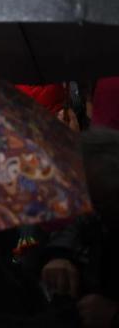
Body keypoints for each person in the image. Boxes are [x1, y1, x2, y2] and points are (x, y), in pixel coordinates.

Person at [40, 129, 119, 328]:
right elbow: (82, 221)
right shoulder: (101, 210)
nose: (88, 208)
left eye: (96, 200)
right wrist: (61, 254)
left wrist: (114, 316)